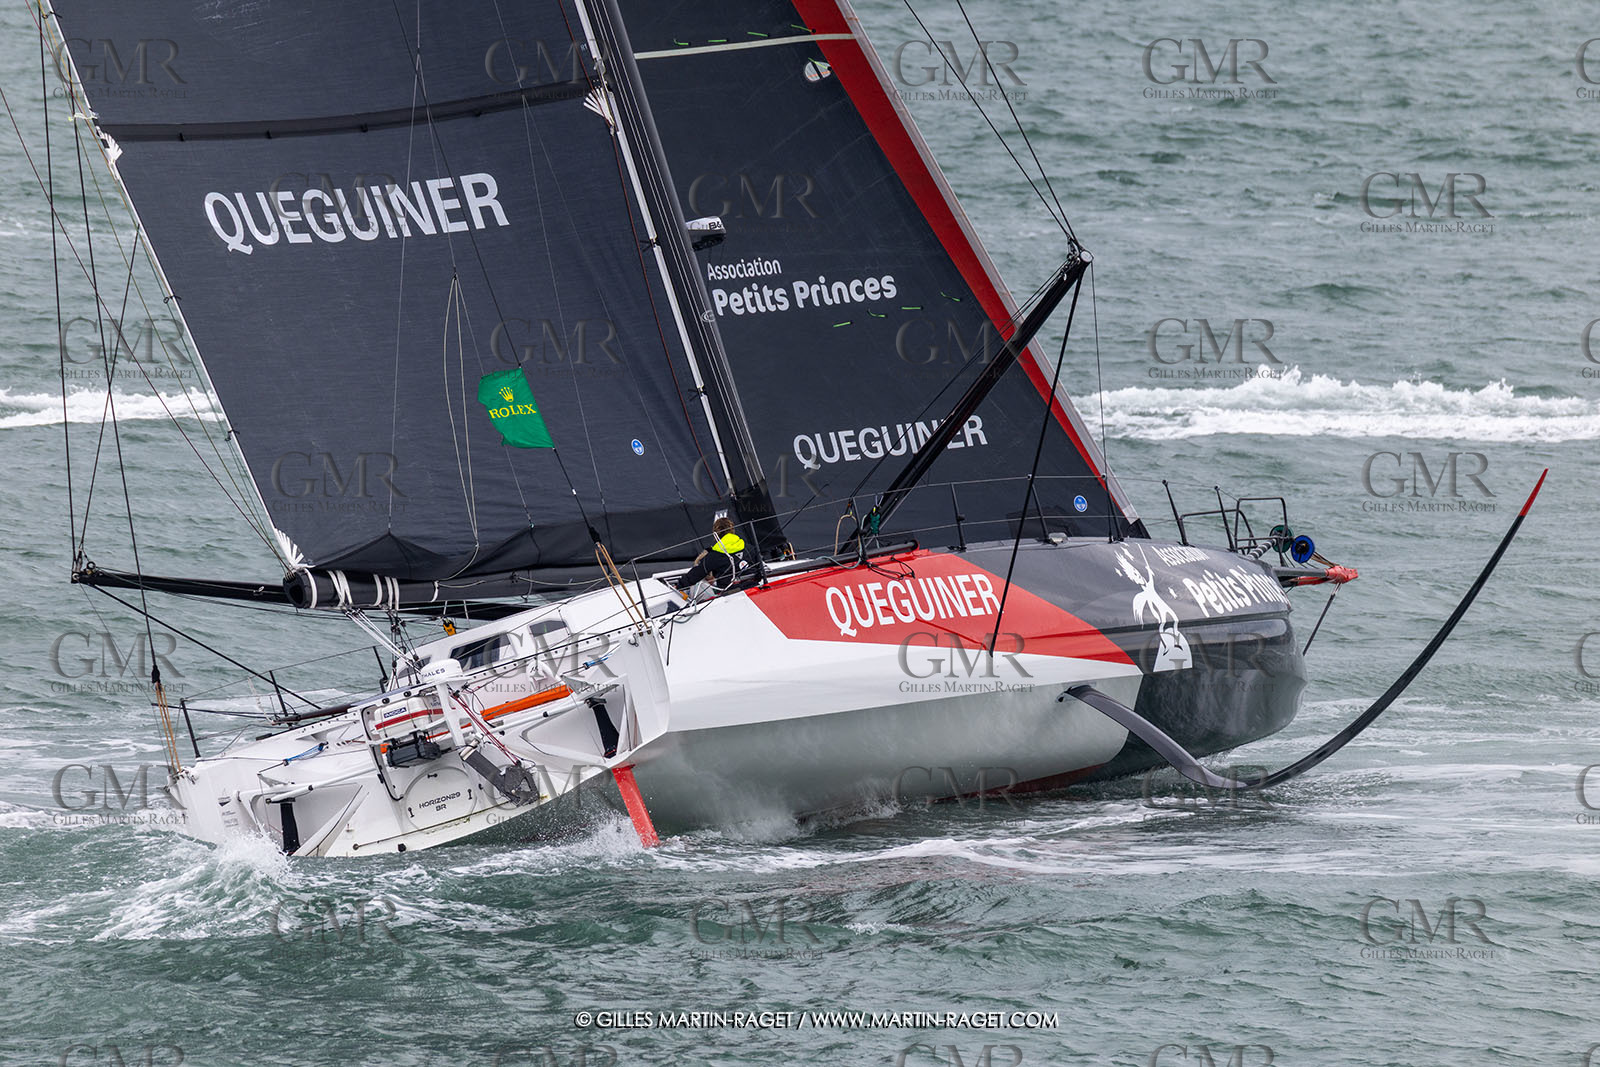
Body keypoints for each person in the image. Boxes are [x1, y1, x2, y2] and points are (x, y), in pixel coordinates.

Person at [673, 516, 745, 593]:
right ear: (732, 530)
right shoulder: (748, 547)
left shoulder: (714, 555)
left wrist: (679, 586)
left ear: (715, 534)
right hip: (752, 587)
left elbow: (697, 573)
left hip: (730, 593)